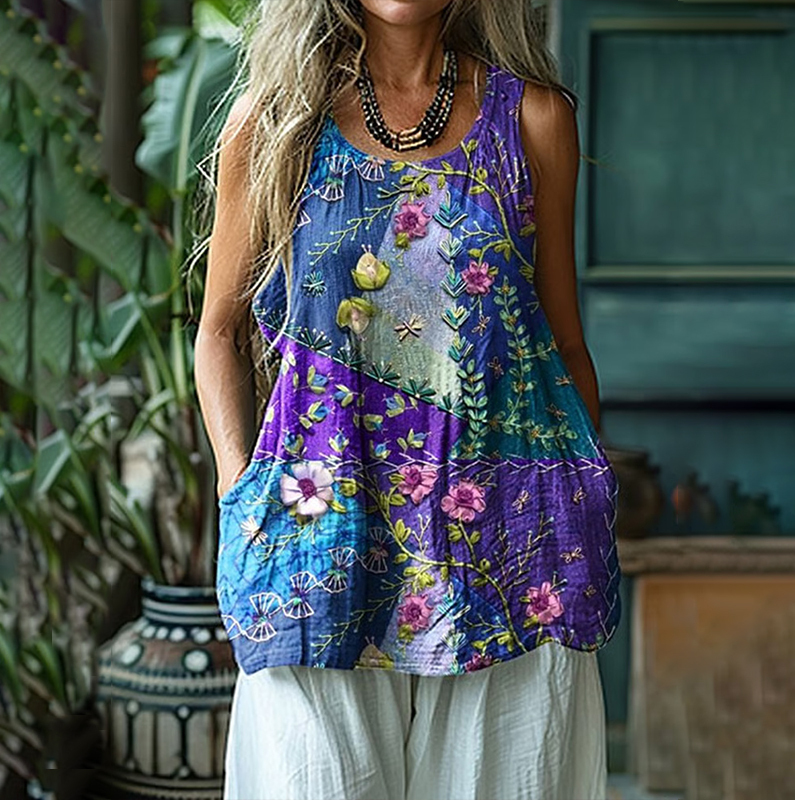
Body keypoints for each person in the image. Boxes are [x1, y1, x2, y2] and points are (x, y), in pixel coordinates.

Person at [193, 1, 622, 798]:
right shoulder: (278, 122)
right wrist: (239, 492)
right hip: (317, 538)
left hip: (510, 544)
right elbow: (218, 331)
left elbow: (562, 342)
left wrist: (583, 497)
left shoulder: (532, 120)